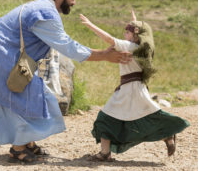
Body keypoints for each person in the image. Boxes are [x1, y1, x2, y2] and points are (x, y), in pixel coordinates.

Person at [0, 0, 131, 163]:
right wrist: (103, 55)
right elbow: (68, 47)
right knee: (19, 99)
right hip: (1, 56)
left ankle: (27, 142)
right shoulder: (45, 14)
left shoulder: (43, 7)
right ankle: (18, 149)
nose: (74, 2)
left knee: (36, 96)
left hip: (4, 54)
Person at [79, 11, 190, 161]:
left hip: (130, 90)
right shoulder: (139, 49)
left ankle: (105, 153)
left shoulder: (129, 46)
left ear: (136, 36)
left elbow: (109, 39)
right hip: (134, 89)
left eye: (127, 32)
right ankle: (167, 135)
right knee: (145, 117)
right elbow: (134, 34)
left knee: (105, 118)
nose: (124, 34)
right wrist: (134, 22)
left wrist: (91, 25)